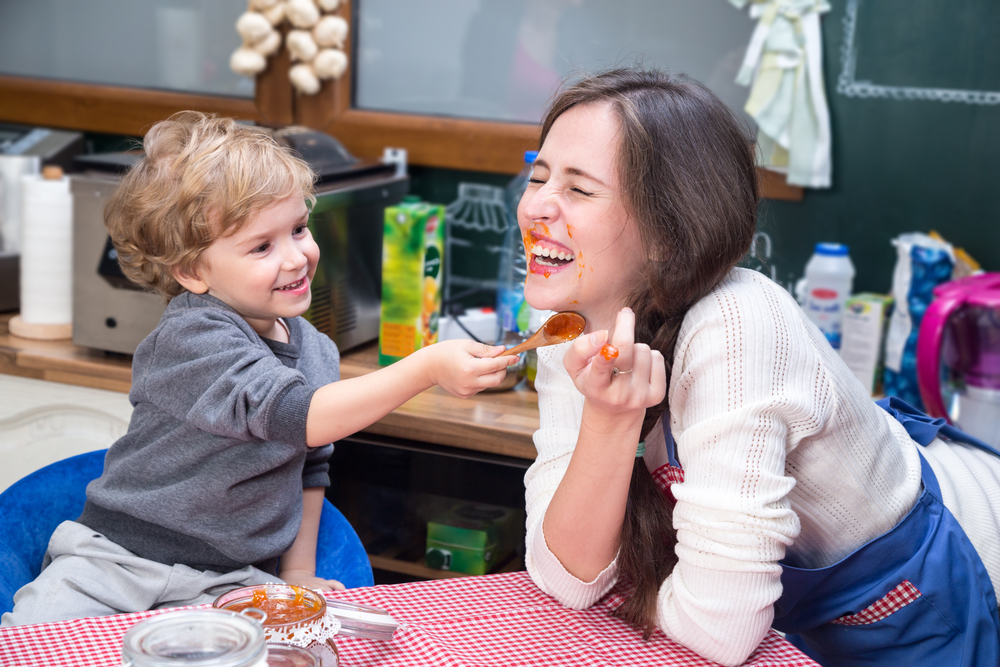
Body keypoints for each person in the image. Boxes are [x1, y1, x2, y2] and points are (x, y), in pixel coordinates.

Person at [519, 67, 1000, 667]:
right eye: (537, 176)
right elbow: (566, 577)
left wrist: (644, 588)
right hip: (796, 614)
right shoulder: (569, 328)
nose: (537, 206)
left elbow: (721, 627)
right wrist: (608, 423)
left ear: (669, 232)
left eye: (579, 190)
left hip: (949, 577)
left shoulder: (739, 324)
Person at [2, 111, 516, 627]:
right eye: (262, 246)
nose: (295, 258)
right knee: (31, 640)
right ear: (191, 272)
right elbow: (298, 415)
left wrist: (298, 574)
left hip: (232, 578)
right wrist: (423, 367)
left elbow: (310, 462)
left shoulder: (316, 350)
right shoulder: (192, 337)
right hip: (116, 563)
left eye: (298, 228)